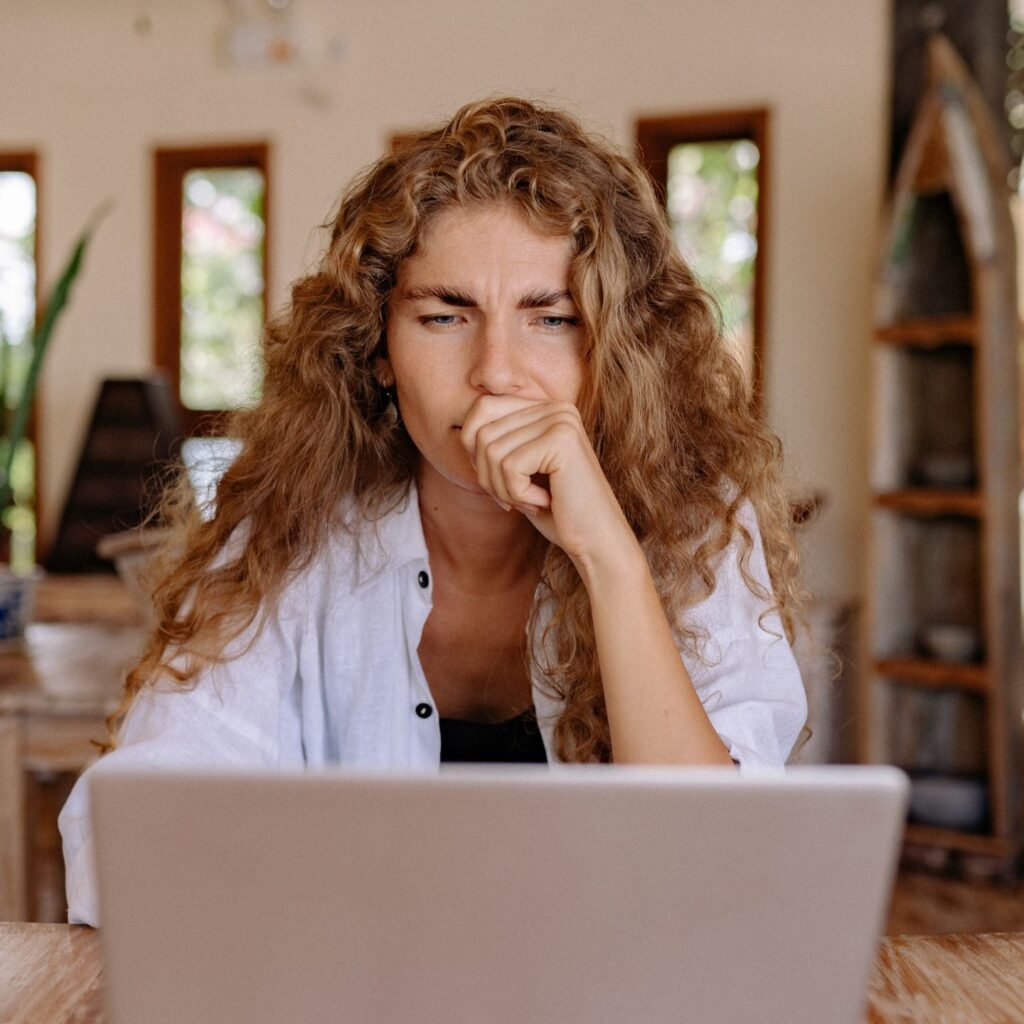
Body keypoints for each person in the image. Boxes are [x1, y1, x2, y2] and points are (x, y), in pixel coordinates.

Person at [59, 97, 807, 926]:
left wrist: (610, 560)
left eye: (551, 319)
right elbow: (122, 840)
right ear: (379, 350)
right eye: (445, 317)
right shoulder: (287, 528)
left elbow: (722, 880)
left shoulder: (699, 523)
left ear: (617, 352)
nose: (497, 372)